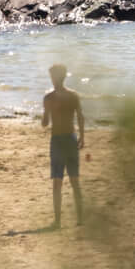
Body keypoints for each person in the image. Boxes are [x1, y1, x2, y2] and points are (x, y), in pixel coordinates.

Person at [40, 63, 86, 228]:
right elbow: (80, 116)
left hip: (59, 140)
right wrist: (82, 136)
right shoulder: (73, 95)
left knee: (58, 181)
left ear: (55, 77)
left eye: (52, 76)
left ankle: (59, 221)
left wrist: (46, 112)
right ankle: (79, 219)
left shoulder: (49, 98)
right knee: (73, 180)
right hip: (69, 139)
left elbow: (45, 123)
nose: (52, 79)